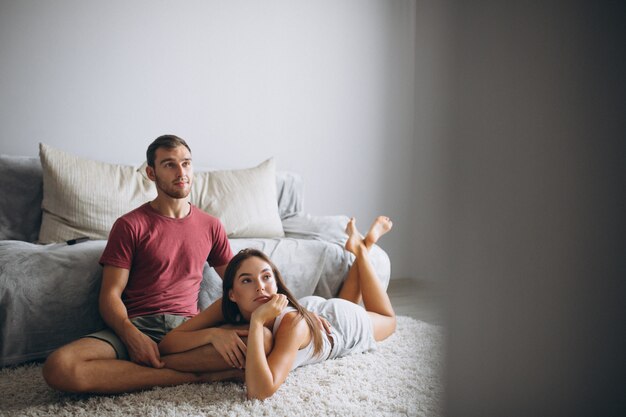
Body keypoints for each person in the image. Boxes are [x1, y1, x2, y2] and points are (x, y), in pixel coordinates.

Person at [43, 135, 255, 394]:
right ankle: (193, 376)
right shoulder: (130, 225)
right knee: (59, 367)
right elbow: (110, 294)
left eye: (186, 163)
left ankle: (150, 370)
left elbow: (241, 283)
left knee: (261, 342)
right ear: (151, 173)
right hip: (138, 324)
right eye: (169, 165)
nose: (181, 172)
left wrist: (294, 312)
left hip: (188, 330)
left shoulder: (211, 225)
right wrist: (131, 335)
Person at [159, 215, 396, 400]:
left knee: (388, 320)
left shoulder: (292, 324)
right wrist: (213, 334)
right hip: (311, 309)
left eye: (266, 277)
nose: (260, 287)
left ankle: (363, 249)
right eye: (246, 280)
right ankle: (359, 246)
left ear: (276, 282)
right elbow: (168, 343)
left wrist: (257, 321)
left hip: (340, 326)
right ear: (232, 294)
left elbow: (260, 392)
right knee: (347, 299)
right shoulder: (228, 305)